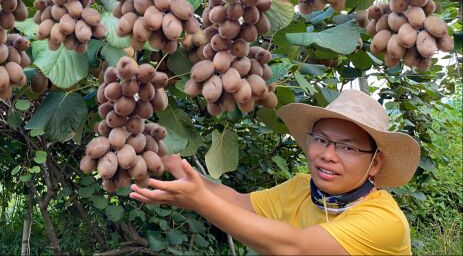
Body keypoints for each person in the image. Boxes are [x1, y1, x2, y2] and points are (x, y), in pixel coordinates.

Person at [129, 89, 420, 255]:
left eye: (347, 148)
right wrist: (178, 167)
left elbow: (296, 248)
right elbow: (237, 202)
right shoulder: (301, 188)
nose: (327, 155)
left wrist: (199, 201)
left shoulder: (385, 222)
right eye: (320, 140)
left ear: (376, 163)